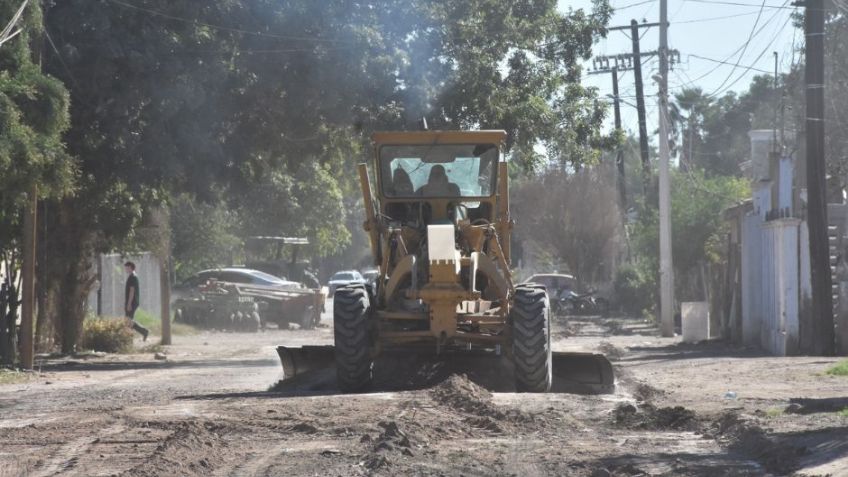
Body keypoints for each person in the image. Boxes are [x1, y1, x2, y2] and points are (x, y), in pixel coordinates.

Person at [124, 261, 149, 341]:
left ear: (131, 268)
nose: (125, 269)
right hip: (133, 301)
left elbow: (132, 291)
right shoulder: (133, 276)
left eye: (127, 268)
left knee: (128, 320)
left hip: (132, 302)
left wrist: (129, 303)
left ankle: (143, 332)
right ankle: (143, 332)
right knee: (128, 320)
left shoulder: (133, 277)